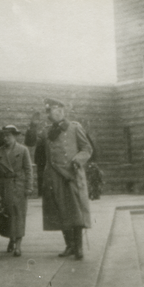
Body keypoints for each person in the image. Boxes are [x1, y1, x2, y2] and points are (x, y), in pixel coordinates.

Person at [38, 98, 93, 260]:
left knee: (75, 210)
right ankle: (69, 245)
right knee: (61, 210)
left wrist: (78, 160)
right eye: (51, 111)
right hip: (54, 176)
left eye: (57, 110)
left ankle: (79, 247)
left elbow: (87, 149)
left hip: (71, 174)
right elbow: (31, 142)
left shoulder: (74, 128)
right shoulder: (47, 131)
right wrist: (32, 127)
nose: (55, 113)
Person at [0, 125, 33, 257]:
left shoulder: (23, 150)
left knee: (18, 215)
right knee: (7, 215)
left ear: (15, 136)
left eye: (8, 135)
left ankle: (18, 245)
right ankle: (11, 239)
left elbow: (29, 169)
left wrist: (29, 187)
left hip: (17, 185)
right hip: (2, 186)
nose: (5, 138)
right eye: (3, 136)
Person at [25, 112, 46, 196]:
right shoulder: (36, 128)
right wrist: (32, 126)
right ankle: (41, 195)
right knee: (41, 177)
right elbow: (30, 142)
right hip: (42, 157)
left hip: (53, 158)